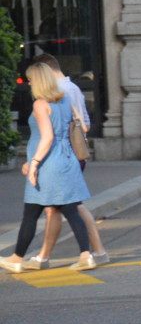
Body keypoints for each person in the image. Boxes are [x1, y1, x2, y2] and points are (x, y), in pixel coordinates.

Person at [1, 63, 98, 273]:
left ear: (39, 80)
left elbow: (47, 137)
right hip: (67, 159)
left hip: (48, 164)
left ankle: (17, 258)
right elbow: (81, 124)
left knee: (31, 213)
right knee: (70, 210)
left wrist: (34, 163)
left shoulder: (40, 104)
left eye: (31, 78)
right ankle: (86, 255)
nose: (29, 82)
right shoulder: (64, 99)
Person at [24, 55, 109, 268]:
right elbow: (84, 125)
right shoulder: (71, 89)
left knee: (71, 207)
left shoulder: (58, 94)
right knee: (60, 208)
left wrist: (34, 161)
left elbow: (51, 135)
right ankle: (46, 256)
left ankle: (93, 252)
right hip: (69, 155)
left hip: (61, 157)